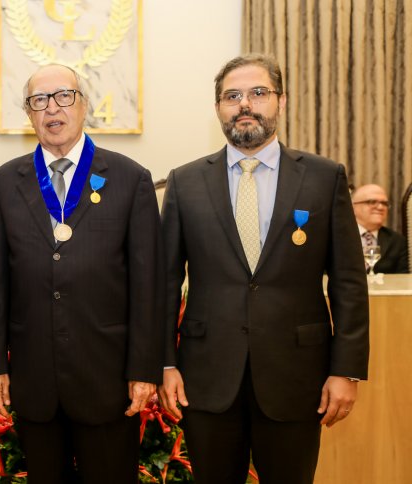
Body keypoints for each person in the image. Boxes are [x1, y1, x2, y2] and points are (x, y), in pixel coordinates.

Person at [158, 53, 370, 484]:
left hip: (297, 377)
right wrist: (164, 364)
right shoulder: (185, 182)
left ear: (281, 101)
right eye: (232, 96)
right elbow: (163, 284)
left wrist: (345, 370)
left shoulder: (324, 178)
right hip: (207, 376)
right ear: (218, 107)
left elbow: (349, 282)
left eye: (258, 93)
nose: (245, 104)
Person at [0, 64, 165, 483]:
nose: (52, 109)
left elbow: (147, 285)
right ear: (29, 113)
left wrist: (144, 369)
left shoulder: (129, 179)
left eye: (64, 96)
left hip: (108, 381)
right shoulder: (4, 183)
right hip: (35, 382)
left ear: (83, 105)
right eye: (39, 101)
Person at [352, 183, 409, 273]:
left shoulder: (398, 241)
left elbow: (403, 279)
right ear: (353, 207)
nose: (380, 207)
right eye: (371, 202)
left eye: (384, 203)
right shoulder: (336, 238)